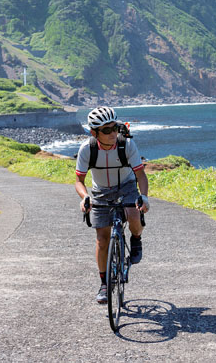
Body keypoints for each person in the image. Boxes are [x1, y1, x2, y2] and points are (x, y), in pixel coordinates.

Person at [75, 106, 149, 304]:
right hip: (101, 191)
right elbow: (79, 181)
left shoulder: (127, 145)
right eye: (107, 130)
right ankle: (104, 283)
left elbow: (141, 175)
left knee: (134, 214)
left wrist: (144, 197)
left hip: (127, 186)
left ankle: (136, 238)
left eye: (115, 127)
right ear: (94, 133)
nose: (113, 133)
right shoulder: (87, 149)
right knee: (102, 239)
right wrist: (85, 197)